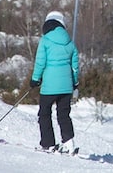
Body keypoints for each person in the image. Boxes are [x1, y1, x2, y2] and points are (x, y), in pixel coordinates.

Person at [30, 10, 79, 153]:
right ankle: (69, 143)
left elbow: (40, 62)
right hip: (66, 87)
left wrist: (35, 79)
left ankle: (48, 143)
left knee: (44, 114)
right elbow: (75, 67)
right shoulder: (70, 43)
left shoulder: (45, 40)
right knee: (64, 115)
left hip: (49, 87)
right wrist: (75, 83)